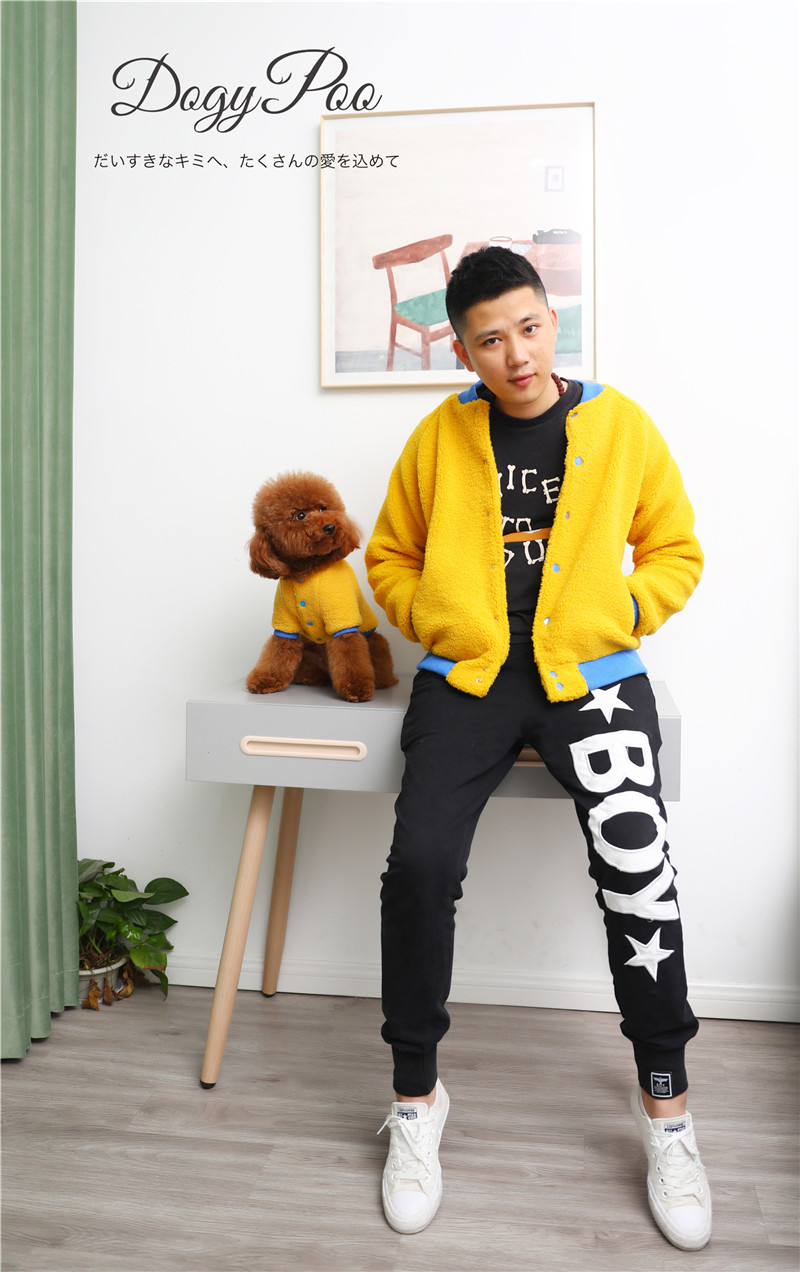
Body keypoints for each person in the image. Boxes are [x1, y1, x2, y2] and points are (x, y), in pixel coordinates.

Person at [365, 247, 711, 1251]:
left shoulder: (618, 424)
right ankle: (415, 1099)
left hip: (591, 675)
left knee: (637, 868)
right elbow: (387, 554)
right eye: (489, 339)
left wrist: (619, 614)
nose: (514, 354)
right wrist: (435, 619)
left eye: (527, 327)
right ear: (462, 349)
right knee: (420, 865)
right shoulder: (440, 436)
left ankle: (667, 1110)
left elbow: (677, 550)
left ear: (550, 319)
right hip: (470, 678)